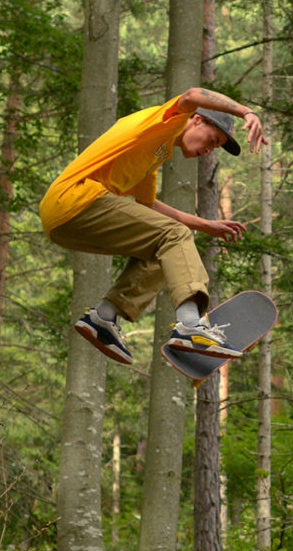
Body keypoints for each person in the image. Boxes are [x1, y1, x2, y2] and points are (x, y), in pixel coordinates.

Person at [42, 86, 268, 366]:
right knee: (174, 236)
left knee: (165, 252)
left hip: (63, 221)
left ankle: (104, 317)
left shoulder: (154, 153)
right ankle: (191, 328)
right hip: (76, 199)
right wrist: (246, 111)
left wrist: (206, 225)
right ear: (196, 120)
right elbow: (191, 95)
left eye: (215, 147)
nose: (209, 150)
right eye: (212, 139)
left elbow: (148, 206)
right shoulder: (162, 122)